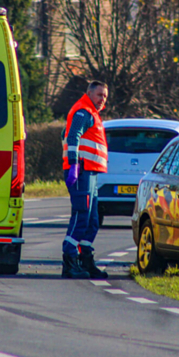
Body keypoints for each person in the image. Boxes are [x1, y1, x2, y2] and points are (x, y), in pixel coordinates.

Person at [61, 81, 109, 279]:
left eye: (105, 96)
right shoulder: (83, 111)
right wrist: (73, 164)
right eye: (99, 95)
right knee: (82, 216)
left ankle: (86, 261)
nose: (102, 99)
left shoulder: (92, 113)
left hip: (91, 172)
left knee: (93, 220)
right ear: (89, 93)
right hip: (81, 171)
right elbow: (72, 137)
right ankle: (70, 261)